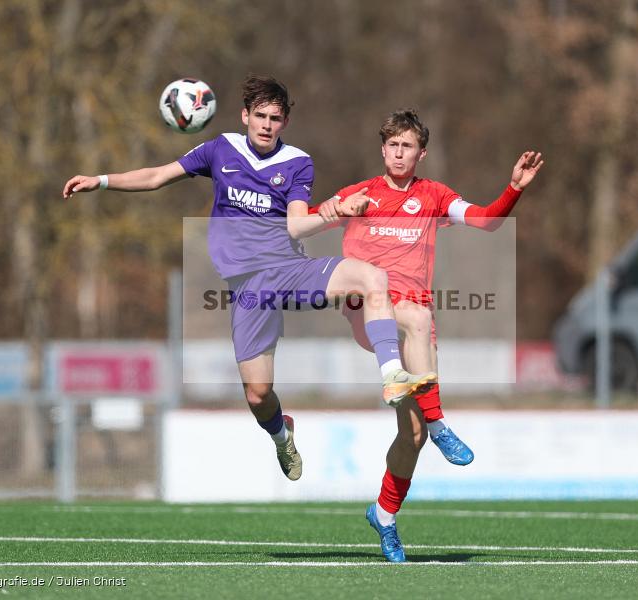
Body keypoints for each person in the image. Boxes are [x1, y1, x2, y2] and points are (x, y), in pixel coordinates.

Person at [62, 77, 436, 483]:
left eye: (275, 118)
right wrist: (100, 181)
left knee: (370, 276)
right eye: (260, 116)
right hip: (249, 289)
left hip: (289, 271)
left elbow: (296, 223)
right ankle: (281, 434)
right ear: (245, 116)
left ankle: (392, 373)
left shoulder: (297, 162)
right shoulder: (219, 149)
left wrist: (334, 212)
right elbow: (156, 177)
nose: (266, 124)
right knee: (258, 395)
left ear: (285, 122)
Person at [314, 109, 543, 562]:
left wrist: (513, 188)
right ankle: (442, 424)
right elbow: (302, 221)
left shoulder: (434, 196)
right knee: (416, 322)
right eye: (392, 145)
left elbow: (485, 220)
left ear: (422, 153)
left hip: (415, 317)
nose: (399, 154)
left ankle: (384, 515)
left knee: (410, 433)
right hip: (371, 312)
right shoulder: (359, 193)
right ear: (383, 150)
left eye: (408, 146)